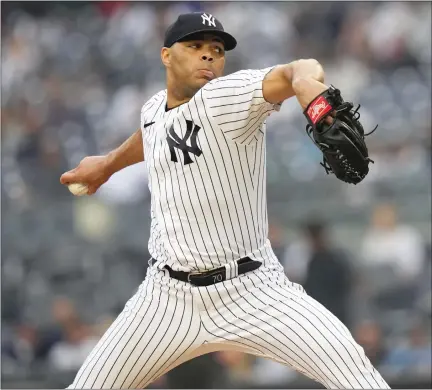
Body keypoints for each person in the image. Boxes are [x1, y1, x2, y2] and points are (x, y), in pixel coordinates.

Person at [60, 12, 390, 389]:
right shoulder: (152, 109)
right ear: (166, 56)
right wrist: (107, 164)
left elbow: (300, 68)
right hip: (167, 298)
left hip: (254, 291)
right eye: (195, 46)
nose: (208, 56)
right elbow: (153, 134)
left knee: (357, 377)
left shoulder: (228, 96)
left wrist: (313, 101)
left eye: (216, 50)